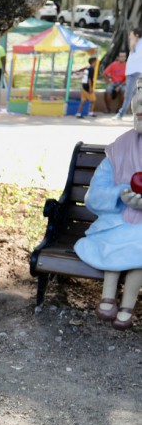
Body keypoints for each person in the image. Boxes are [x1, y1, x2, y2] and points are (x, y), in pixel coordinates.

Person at [74, 75, 142, 329]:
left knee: (139, 248)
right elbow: (94, 195)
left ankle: (128, 305)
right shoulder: (120, 148)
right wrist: (120, 193)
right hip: (120, 220)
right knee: (115, 241)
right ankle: (108, 296)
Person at [116, 28, 142, 119]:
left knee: (128, 94)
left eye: (131, 35)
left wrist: (132, 44)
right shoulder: (136, 44)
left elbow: (135, 57)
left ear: (136, 35)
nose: (129, 36)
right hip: (131, 72)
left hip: (135, 72)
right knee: (134, 94)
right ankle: (136, 114)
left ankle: (121, 113)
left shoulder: (140, 44)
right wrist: (132, 45)